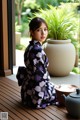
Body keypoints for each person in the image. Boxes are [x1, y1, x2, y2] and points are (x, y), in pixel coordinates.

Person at [16, 17, 57, 108]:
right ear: (32, 32)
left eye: (45, 29)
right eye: (39, 30)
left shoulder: (30, 46)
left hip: (26, 91)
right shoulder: (37, 50)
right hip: (35, 94)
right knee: (58, 93)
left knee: (54, 87)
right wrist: (38, 100)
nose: (43, 33)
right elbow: (39, 78)